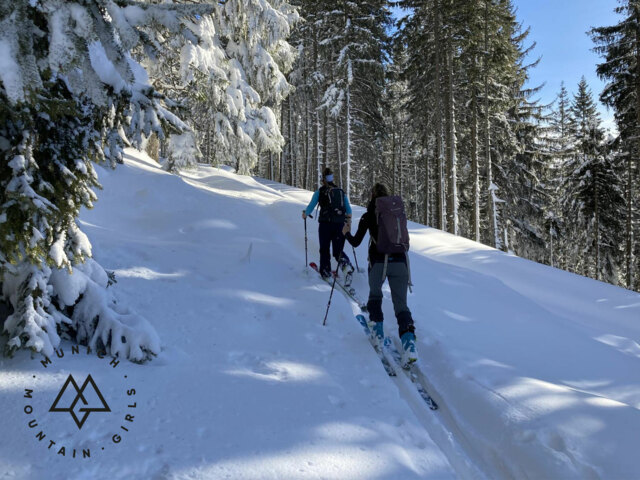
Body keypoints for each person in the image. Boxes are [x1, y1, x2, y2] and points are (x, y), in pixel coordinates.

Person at [342, 183, 417, 364]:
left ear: (372, 196)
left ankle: (377, 333)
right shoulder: (397, 213)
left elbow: (356, 242)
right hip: (401, 262)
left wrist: (346, 233)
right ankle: (409, 345)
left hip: (379, 262)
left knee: (375, 297)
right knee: (401, 305)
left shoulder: (369, 215)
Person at [302, 167, 355, 280]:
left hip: (325, 225)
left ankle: (325, 271)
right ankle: (346, 267)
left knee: (324, 249)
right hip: (339, 225)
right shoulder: (340, 192)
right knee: (337, 251)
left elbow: (311, 206)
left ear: (323, 179)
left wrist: (305, 214)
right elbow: (349, 210)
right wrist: (348, 222)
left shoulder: (320, 192)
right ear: (332, 178)